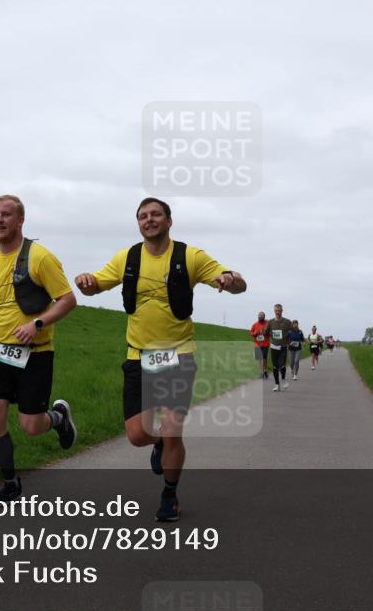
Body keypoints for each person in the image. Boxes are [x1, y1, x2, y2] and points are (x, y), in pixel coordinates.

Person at [74, 197, 246, 523]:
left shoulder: (189, 256)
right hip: (138, 356)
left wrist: (231, 280)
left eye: (156, 215)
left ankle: (170, 493)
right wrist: (86, 282)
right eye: (143, 216)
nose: (149, 220)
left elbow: (236, 284)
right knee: (137, 435)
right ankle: (160, 444)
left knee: (172, 429)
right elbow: (96, 286)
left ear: (169, 221)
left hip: (177, 355)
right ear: (138, 223)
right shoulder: (128, 258)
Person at [0, 194, 78, 503]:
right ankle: (11, 484)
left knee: (31, 426)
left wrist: (37, 324)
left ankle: (59, 418)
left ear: (20, 220)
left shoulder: (40, 257)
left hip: (36, 353)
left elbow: (67, 300)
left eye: (6, 215)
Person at [266, 304, 293, 391]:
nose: (278, 312)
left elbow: (292, 332)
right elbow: (266, 332)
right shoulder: (270, 322)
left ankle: (284, 379)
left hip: (283, 346)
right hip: (274, 347)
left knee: (282, 365)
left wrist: (290, 341)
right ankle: (276, 384)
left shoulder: (287, 322)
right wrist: (264, 332)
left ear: (282, 311)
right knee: (275, 366)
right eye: (276, 311)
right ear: (274, 311)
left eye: (279, 311)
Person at [249, 311, 270, 379]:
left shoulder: (267, 323)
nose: (261, 317)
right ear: (258, 316)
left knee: (264, 358)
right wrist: (255, 333)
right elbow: (251, 332)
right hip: (257, 344)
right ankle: (261, 372)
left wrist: (266, 333)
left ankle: (265, 371)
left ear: (264, 316)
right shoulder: (255, 324)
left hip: (265, 344)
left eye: (262, 316)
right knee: (259, 359)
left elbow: (271, 332)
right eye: (260, 316)